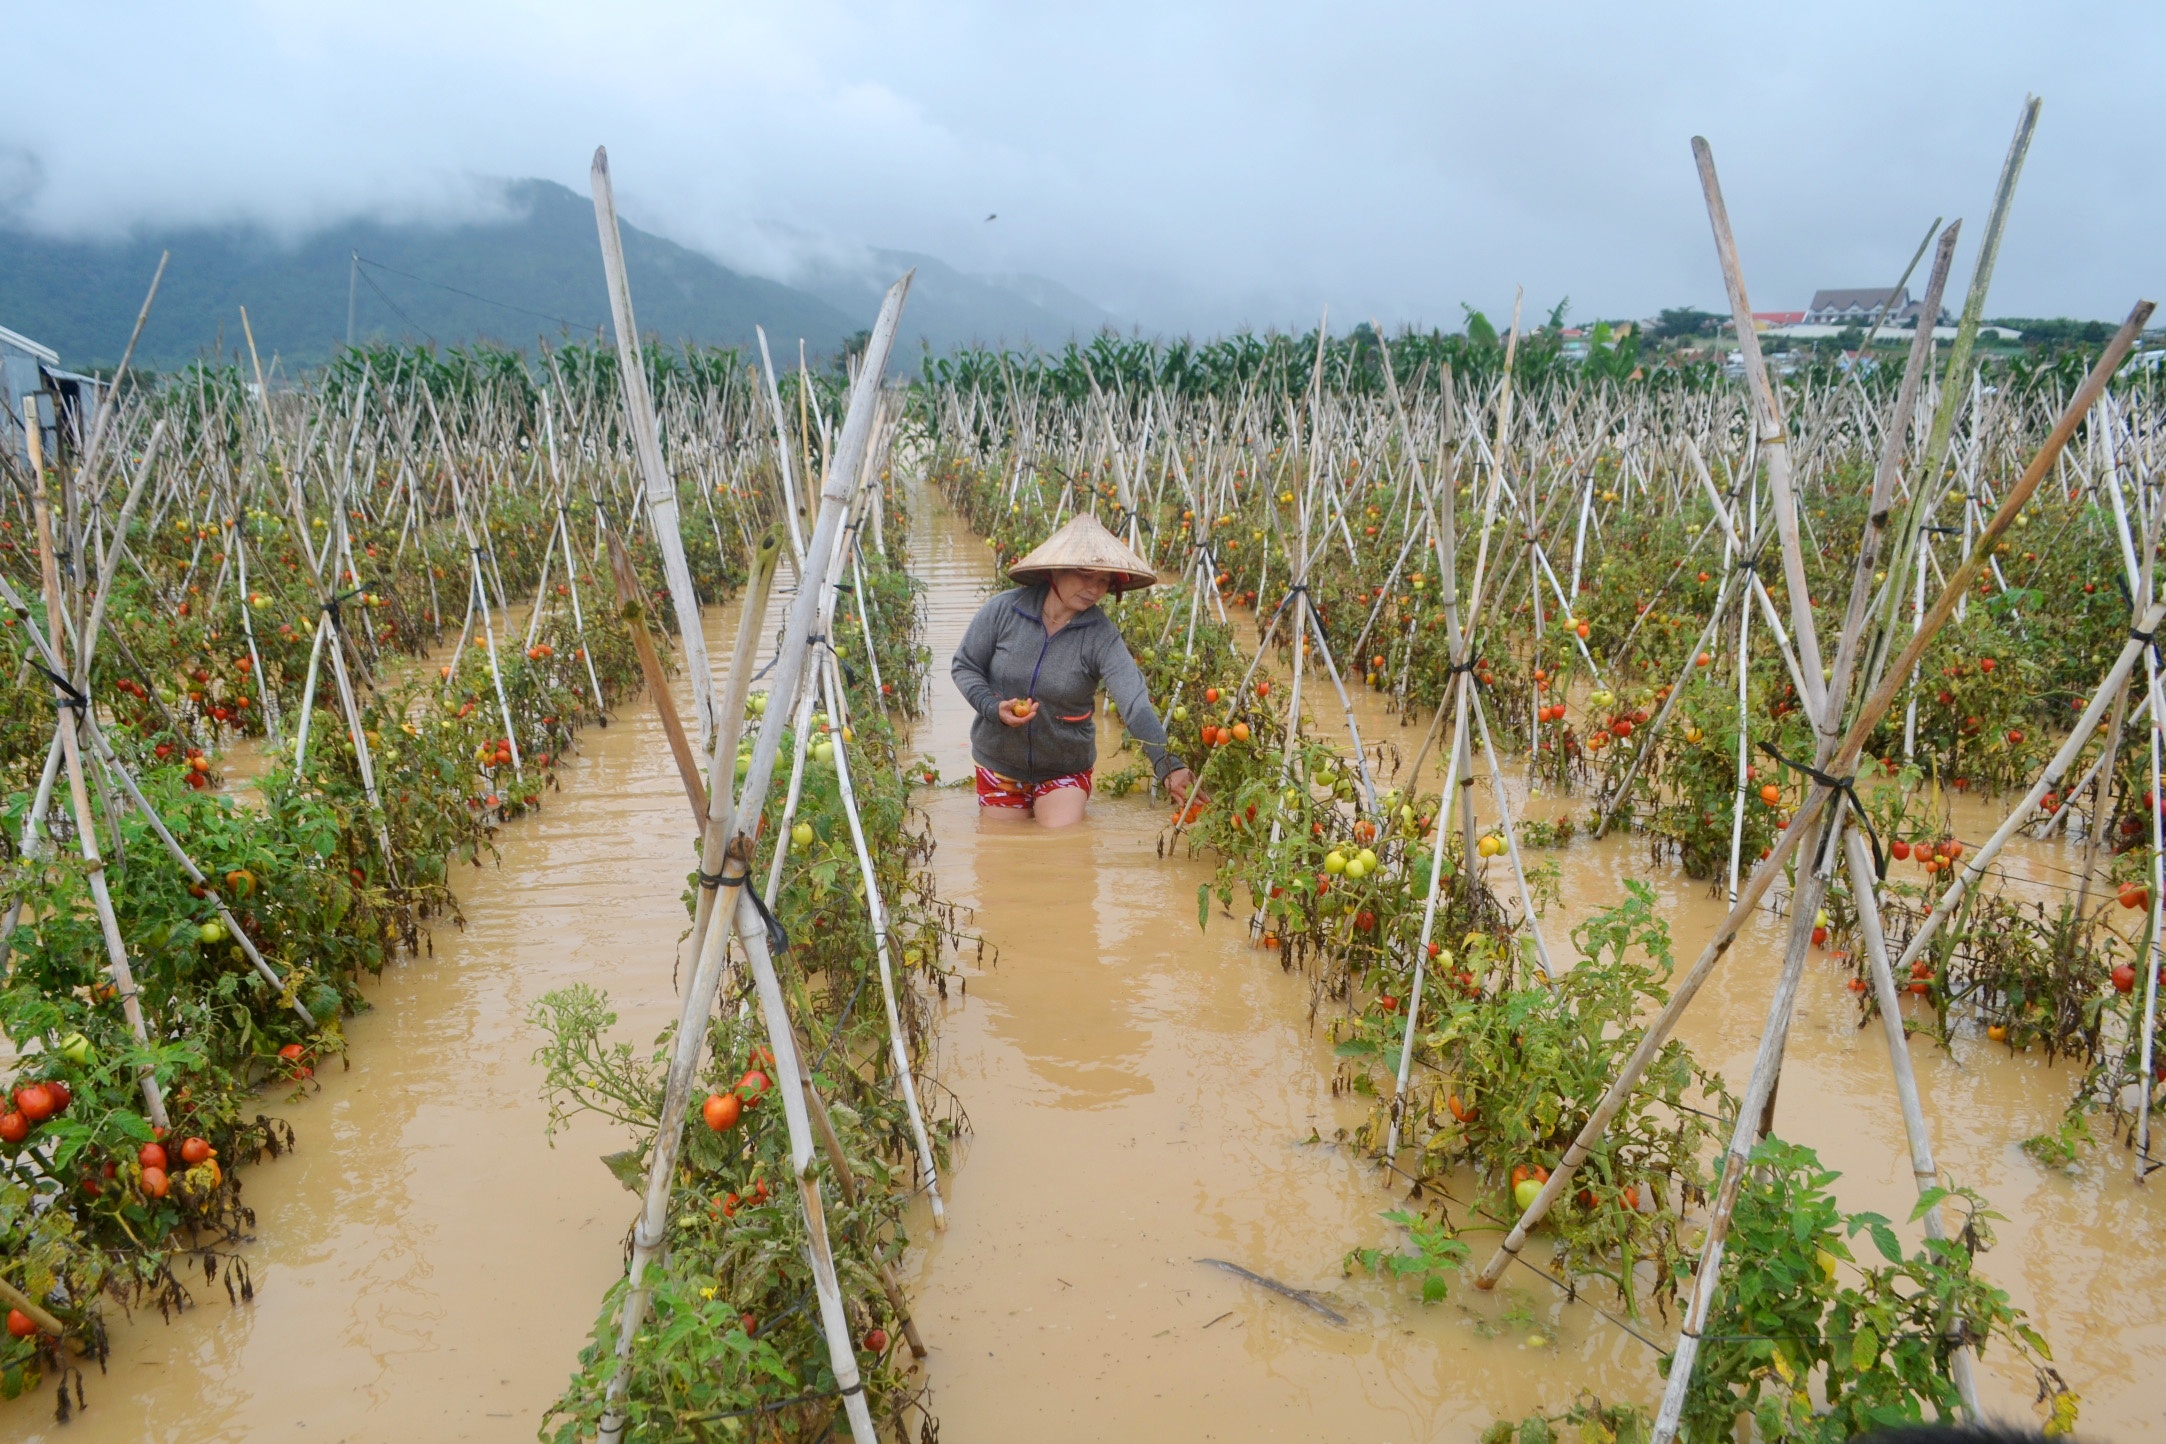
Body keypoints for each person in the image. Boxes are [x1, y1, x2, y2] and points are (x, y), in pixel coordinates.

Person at [951, 513, 1196, 827]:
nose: (1094, 589)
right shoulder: (1003, 612)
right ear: (1056, 569)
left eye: (1104, 581)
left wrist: (1167, 765)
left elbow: (1134, 705)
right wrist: (992, 707)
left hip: (1064, 768)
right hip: (1000, 763)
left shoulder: (1101, 636)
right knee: (1001, 843)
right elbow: (965, 666)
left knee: (1060, 837)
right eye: (1085, 575)